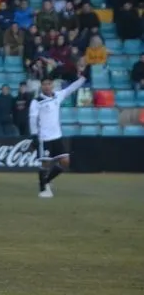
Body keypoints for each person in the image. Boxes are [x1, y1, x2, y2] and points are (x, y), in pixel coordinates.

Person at [29, 60, 86, 198]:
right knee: (46, 163)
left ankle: (46, 181)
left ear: (52, 85)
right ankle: (43, 189)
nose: (47, 86)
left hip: (57, 136)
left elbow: (71, 88)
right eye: (44, 84)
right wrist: (34, 136)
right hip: (44, 137)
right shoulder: (37, 101)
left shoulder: (58, 96)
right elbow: (32, 119)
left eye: (49, 84)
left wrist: (83, 78)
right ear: (41, 86)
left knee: (65, 162)